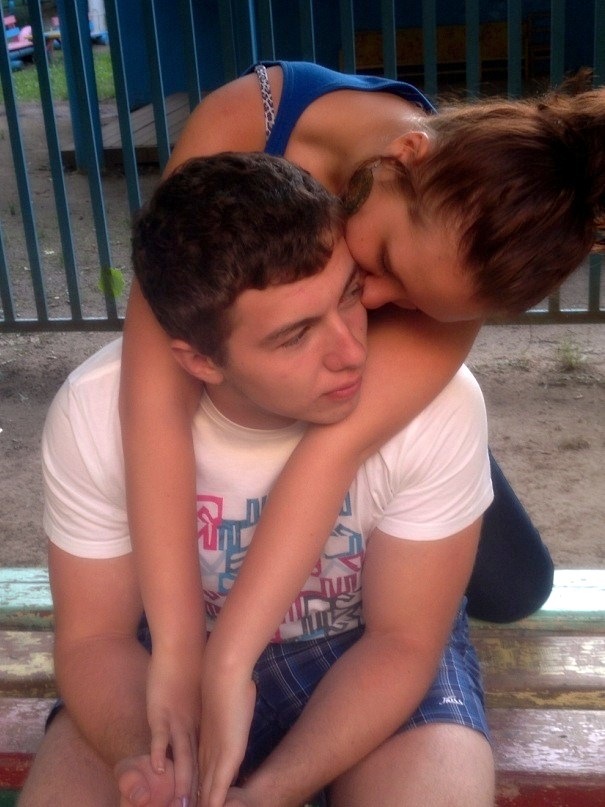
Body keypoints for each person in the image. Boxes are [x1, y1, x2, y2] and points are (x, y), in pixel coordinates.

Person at [118, 60, 605, 795]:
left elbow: (335, 448)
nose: (376, 302)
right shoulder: (241, 122)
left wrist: (230, 660)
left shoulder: (463, 248)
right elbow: (152, 401)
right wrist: (182, 654)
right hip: (283, 392)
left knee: (514, 587)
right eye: (379, 263)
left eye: (413, 304)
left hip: (365, 414)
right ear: (405, 153)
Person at [20, 151, 494, 807]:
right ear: (200, 360)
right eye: (296, 335)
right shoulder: (94, 410)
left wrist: (273, 790)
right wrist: (145, 756)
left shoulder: (434, 401)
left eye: (348, 295)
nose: (351, 350)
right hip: (170, 650)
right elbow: (96, 637)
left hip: (363, 646)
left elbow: (404, 640)